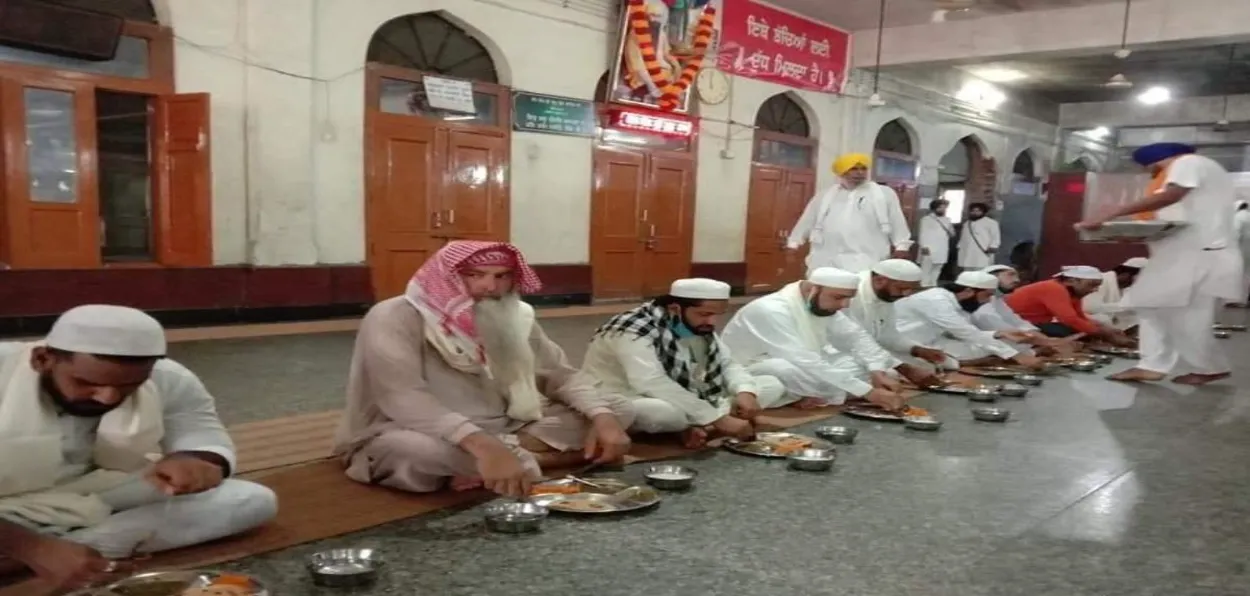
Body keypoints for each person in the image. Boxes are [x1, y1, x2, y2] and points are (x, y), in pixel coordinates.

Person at [0, 306, 277, 592]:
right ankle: (50, 554)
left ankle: (70, 554)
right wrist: (30, 545)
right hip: (7, 506)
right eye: (86, 383)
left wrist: (196, 460)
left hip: (91, 493)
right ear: (43, 359)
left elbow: (202, 434)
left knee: (251, 500)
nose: (107, 397)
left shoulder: (168, 378)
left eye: (129, 385)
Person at [334, 241, 635, 499]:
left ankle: (502, 461)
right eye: (475, 275)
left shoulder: (513, 316)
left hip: (507, 426)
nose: (489, 287)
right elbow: (403, 398)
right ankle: (520, 459)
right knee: (415, 452)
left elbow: (558, 374)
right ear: (446, 276)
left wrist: (602, 416)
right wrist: (483, 445)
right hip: (416, 429)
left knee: (619, 408)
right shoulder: (395, 316)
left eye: (501, 276)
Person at [1076, 142, 1244, 385]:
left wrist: (1110, 214)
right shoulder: (1206, 173)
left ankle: (1203, 367)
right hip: (1188, 257)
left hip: (1200, 258)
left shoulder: (1188, 163)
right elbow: (1174, 224)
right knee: (1152, 305)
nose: (1150, 174)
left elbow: (1172, 195)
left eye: (1150, 168)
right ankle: (1154, 365)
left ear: (1158, 160)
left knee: (1188, 317)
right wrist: (1124, 233)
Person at [581, 279, 789, 449]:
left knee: (771, 384)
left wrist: (745, 392)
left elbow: (727, 363)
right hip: (627, 397)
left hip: (686, 391)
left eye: (717, 314)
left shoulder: (696, 324)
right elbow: (650, 382)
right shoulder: (632, 330)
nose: (712, 322)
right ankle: (702, 426)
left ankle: (696, 428)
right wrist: (717, 419)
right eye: (705, 314)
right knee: (663, 414)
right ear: (675, 308)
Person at [721, 267, 909, 412]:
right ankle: (820, 394)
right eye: (839, 298)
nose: (843, 306)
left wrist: (877, 370)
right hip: (755, 367)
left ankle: (806, 395)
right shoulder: (771, 309)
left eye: (849, 299)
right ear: (812, 289)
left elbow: (856, 337)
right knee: (781, 368)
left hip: (807, 367)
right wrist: (868, 392)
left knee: (885, 373)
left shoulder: (823, 304)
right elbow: (803, 359)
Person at [785, 153, 913, 274]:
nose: (859, 173)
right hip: (826, 260)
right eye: (854, 169)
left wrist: (902, 246)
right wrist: (793, 243)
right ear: (842, 172)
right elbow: (807, 220)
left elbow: (897, 220)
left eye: (863, 169)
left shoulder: (884, 194)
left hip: (866, 260)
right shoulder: (825, 195)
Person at [894, 271, 1046, 369]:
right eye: (986, 295)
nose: (987, 301)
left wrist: (1000, 334)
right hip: (906, 343)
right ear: (968, 291)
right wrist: (1017, 357)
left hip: (933, 341)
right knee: (922, 365)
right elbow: (965, 332)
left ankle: (960, 363)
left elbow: (965, 332)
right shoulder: (935, 300)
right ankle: (961, 363)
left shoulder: (960, 304)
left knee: (987, 348)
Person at [842, 259, 952, 386]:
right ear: (879, 281)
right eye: (902, 288)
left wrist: (917, 350)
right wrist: (904, 368)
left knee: (930, 366)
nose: (906, 294)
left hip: (870, 352)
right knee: (889, 375)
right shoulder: (850, 295)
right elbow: (854, 343)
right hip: (840, 354)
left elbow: (888, 335)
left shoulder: (884, 296)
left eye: (912, 290)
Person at [1004, 266, 1135, 346]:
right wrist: (1105, 334)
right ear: (1072, 281)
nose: (1094, 290)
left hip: (1035, 324)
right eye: (1091, 285)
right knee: (1069, 329)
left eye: (1097, 286)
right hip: (1019, 325)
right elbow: (1069, 319)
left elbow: (1079, 316)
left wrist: (1106, 328)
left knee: (1091, 326)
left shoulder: (1072, 292)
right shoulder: (1054, 288)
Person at [972, 265, 1071, 355]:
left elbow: (1018, 322)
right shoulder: (982, 307)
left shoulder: (997, 300)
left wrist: (1048, 340)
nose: (1017, 280)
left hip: (1013, 342)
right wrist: (1047, 343)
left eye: (1017, 276)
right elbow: (1007, 332)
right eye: (1011, 275)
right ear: (992, 277)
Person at [1082, 258, 1148, 331]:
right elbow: (1090, 307)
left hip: (1109, 321)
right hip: (1084, 318)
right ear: (1126, 274)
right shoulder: (1101, 280)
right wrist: (1124, 306)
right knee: (1103, 319)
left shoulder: (1124, 288)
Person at [917, 198, 955, 286]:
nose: (943, 209)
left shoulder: (947, 220)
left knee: (938, 268)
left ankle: (933, 285)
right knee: (926, 269)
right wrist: (924, 246)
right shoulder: (926, 219)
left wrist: (950, 227)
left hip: (942, 248)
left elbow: (952, 234)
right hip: (929, 248)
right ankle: (924, 285)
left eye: (944, 207)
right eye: (940, 207)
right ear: (934, 208)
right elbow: (922, 233)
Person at [956, 202, 1001, 271]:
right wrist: (960, 246)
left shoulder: (991, 222)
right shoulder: (967, 223)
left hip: (983, 252)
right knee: (967, 273)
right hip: (967, 252)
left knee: (981, 272)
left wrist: (993, 246)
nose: (975, 213)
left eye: (978, 211)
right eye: (973, 211)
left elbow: (995, 236)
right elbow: (963, 237)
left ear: (983, 212)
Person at [1234, 200, 1250, 307]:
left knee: (1241, 273)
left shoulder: (1238, 217)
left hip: (1242, 248)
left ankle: (1239, 300)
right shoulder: (1249, 215)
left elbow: (1236, 233)